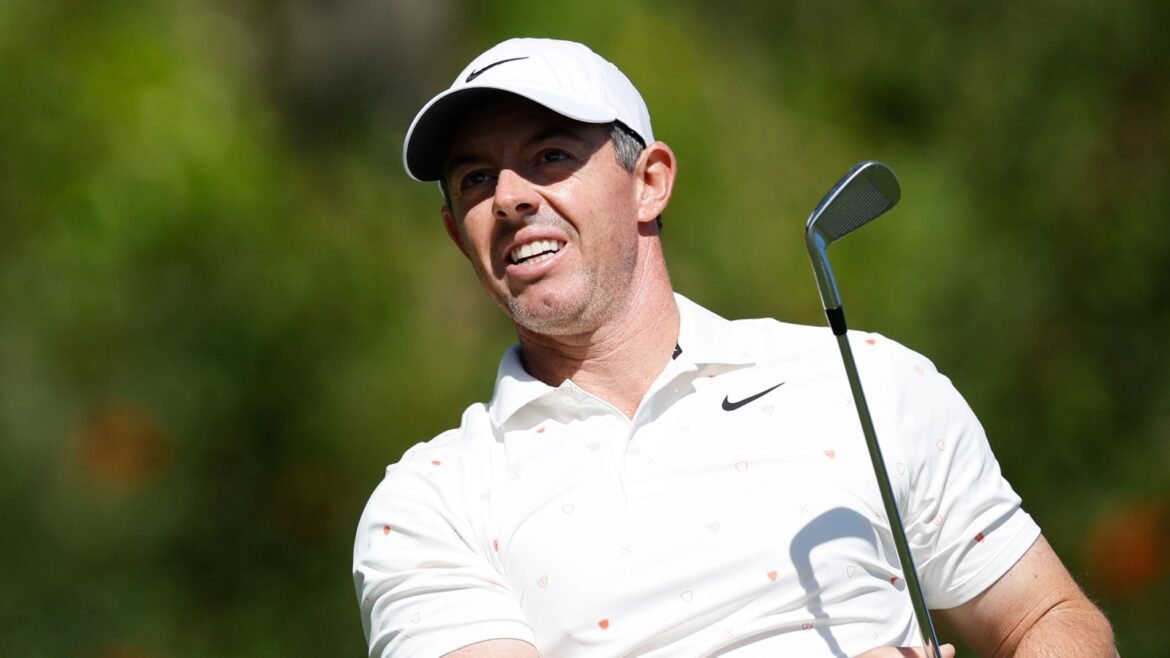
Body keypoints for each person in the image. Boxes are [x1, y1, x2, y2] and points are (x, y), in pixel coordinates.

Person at [353, 37, 1116, 657]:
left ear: (650, 181)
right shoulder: (430, 502)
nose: (511, 196)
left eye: (551, 156)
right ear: (460, 234)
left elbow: (1048, 617)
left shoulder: (863, 379)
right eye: (476, 178)